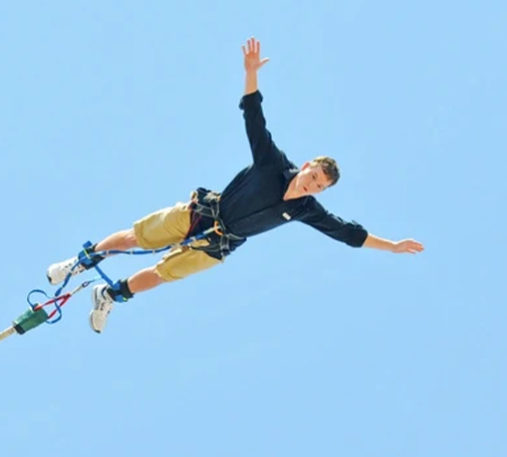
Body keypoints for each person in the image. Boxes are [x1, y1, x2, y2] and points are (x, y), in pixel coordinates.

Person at [45, 37, 424, 333]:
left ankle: (110, 295)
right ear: (307, 166)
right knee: (135, 238)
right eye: (313, 177)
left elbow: (346, 232)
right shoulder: (272, 163)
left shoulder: (305, 209)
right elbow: (254, 117)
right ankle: (78, 263)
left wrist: (391, 246)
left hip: (219, 243)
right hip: (201, 214)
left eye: (319, 187)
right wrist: (251, 73)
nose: (312, 186)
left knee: (162, 275)